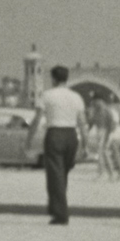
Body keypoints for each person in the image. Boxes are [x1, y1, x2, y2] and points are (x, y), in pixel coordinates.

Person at [29, 65, 88, 224]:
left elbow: (37, 119)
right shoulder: (76, 97)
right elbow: (82, 123)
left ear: (53, 79)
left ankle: (61, 214)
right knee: (63, 174)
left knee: (55, 175)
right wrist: (86, 144)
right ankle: (56, 207)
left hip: (55, 134)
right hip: (71, 135)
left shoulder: (47, 95)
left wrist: (29, 138)